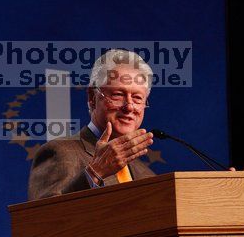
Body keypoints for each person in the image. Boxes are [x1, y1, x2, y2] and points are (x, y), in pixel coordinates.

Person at [28, 49, 156, 201]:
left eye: (137, 98)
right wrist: (95, 173)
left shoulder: (147, 174)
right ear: (92, 97)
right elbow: (42, 220)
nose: (129, 107)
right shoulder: (59, 153)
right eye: (118, 95)